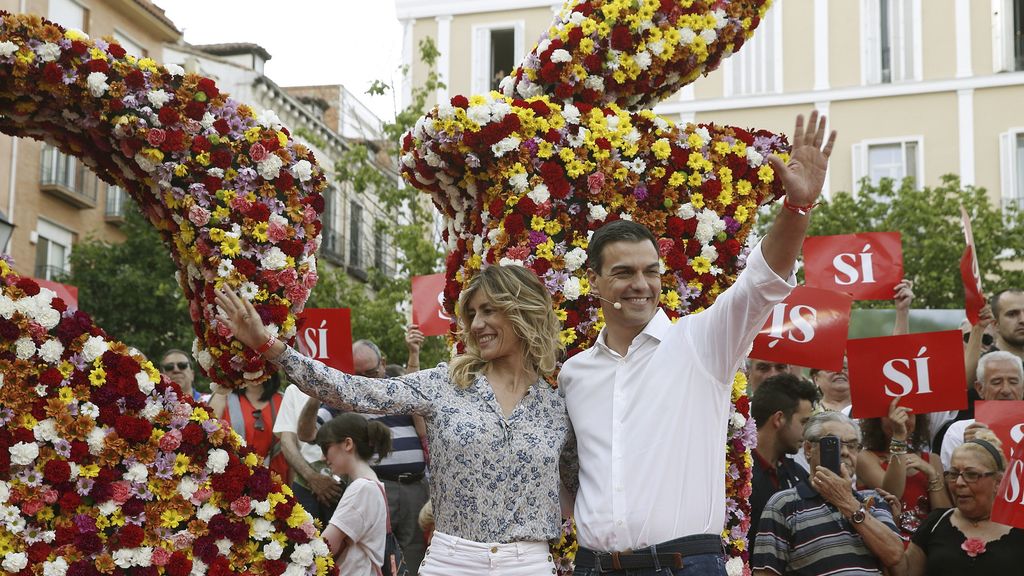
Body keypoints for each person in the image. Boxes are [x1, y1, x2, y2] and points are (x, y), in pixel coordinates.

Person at [559, 111, 835, 576]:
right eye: (623, 272)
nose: (640, 285)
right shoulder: (574, 373)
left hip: (684, 564)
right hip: (594, 567)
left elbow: (761, 282)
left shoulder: (702, 341)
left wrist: (796, 210)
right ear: (595, 282)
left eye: (651, 271)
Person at [216, 263, 570, 575]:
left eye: (489, 311)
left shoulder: (558, 406)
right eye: (472, 313)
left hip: (530, 563)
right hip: (453, 561)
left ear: (523, 311)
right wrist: (267, 344)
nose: (477, 324)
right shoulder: (443, 384)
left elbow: (584, 485)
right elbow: (351, 390)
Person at [299, 338, 430, 575]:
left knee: (414, 555)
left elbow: (423, 428)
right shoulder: (344, 394)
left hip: (414, 486)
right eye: (357, 373)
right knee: (378, 554)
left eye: (371, 372)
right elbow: (308, 434)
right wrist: (318, 392)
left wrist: (414, 355)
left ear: (384, 363)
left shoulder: (399, 389)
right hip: (378, 487)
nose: (366, 380)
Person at [752, 412, 904, 575]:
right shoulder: (784, 503)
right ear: (809, 449)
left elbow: (894, 555)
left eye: (853, 445)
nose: (846, 452)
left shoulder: (873, 499)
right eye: (834, 443)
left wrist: (846, 502)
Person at [896, 431, 1024, 575]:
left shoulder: (1020, 527)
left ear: (998, 482)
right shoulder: (935, 523)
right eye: (954, 474)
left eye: (971, 475)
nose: (959, 483)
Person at [855, 397, 951, 541]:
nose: (901, 420)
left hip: (927, 546)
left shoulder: (932, 459)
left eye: (908, 414)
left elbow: (945, 518)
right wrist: (898, 438)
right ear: (876, 421)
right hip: (890, 541)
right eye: (892, 415)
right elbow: (892, 493)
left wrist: (931, 474)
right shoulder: (865, 458)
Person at [317, 413, 392, 575]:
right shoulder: (372, 484)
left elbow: (327, 544)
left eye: (325, 447)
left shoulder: (362, 488)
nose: (322, 457)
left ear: (348, 444)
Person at [749, 373, 819, 544]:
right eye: (804, 422)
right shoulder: (734, 474)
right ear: (779, 419)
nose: (808, 432)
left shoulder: (798, 473)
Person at [940, 351, 1024, 469]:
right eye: (997, 382)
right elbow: (953, 484)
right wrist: (968, 450)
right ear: (980, 389)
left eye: (1013, 382)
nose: (1006, 390)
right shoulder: (959, 432)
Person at [274, 383, 343, 527]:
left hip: (346, 483)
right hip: (305, 483)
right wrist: (311, 477)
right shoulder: (295, 389)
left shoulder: (352, 382)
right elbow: (287, 442)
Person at [208, 372, 290, 481]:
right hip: (233, 480)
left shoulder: (284, 400)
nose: (254, 371)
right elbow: (208, 438)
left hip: (276, 483)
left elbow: (293, 447)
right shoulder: (222, 397)